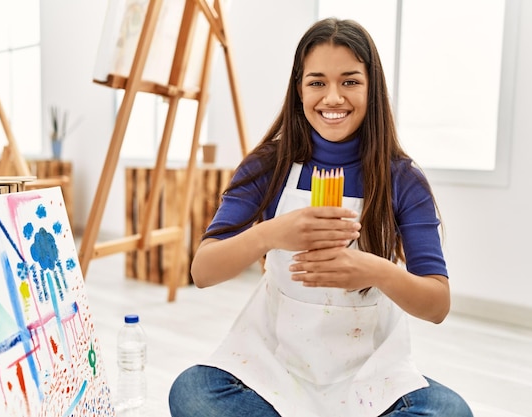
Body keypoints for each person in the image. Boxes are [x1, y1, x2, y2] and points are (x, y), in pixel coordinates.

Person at [168, 17, 474, 417]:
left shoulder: (403, 179)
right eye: (317, 82)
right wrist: (271, 234)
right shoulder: (269, 167)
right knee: (192, 392)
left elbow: (437, 304)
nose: (333, 97)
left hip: (371, 379)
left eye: (350, 81)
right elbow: (202, 272)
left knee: (451, 412)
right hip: (274, 370)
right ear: (299, 90)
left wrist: (374, 271)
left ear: (372, 89)